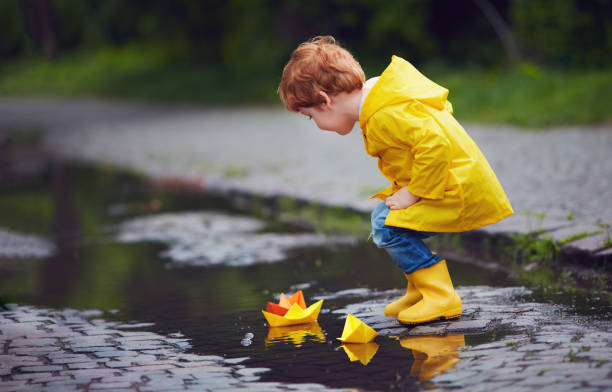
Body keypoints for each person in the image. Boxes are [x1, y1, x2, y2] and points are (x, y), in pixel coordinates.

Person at [278, 36, 513, 324]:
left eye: (309, 116)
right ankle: (421, 289)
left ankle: (440, 296)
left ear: (325, 101)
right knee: (387, 219)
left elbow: (436, 145)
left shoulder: (384, 113)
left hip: (456, 187)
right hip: (448, 180)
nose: (314, 123)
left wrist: (414, 191)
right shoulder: (381, 99)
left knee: (387, 225)